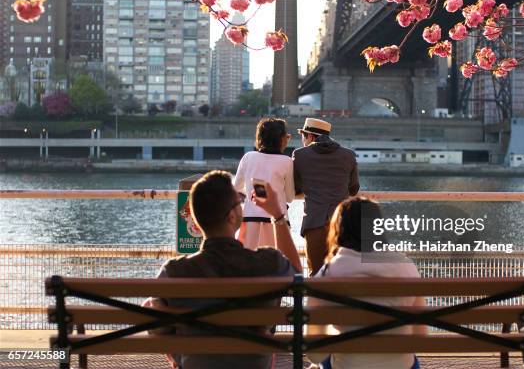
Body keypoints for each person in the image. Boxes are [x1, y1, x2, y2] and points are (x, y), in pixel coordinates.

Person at [147, 171, 301, 369]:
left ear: (196, 219)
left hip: (197, 364)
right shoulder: (268, 263)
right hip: (253, 364)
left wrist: (179, 357)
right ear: (231, 217)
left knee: (151, 305)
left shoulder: (174, 272)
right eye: (240, 202)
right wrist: (278, 215)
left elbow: (159, 329)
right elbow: (298, 276)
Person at [306, 197, 426, 369]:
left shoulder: (327, 274)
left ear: (339, 230)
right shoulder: (406, 268)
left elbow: (314, 355)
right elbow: (419, 340)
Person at [293, 118, 359, 275]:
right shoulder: (348, 155)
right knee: (341, 275)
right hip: (341, 225)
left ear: (310, 136)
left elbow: (295, 188)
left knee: (316, 275)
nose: (302, 139)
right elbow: (354, 189)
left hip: (314, 223)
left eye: (303, 135)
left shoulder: (300, 155)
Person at [234, 117, 294, 249]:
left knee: (249, 264)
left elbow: (236, 188)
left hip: (251, 220)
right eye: (287, 136)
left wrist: (252, 191)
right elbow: (289, 197)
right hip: (277, 221)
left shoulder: (248, 157)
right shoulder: (287, 161)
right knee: (277, 264)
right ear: (281, 139)